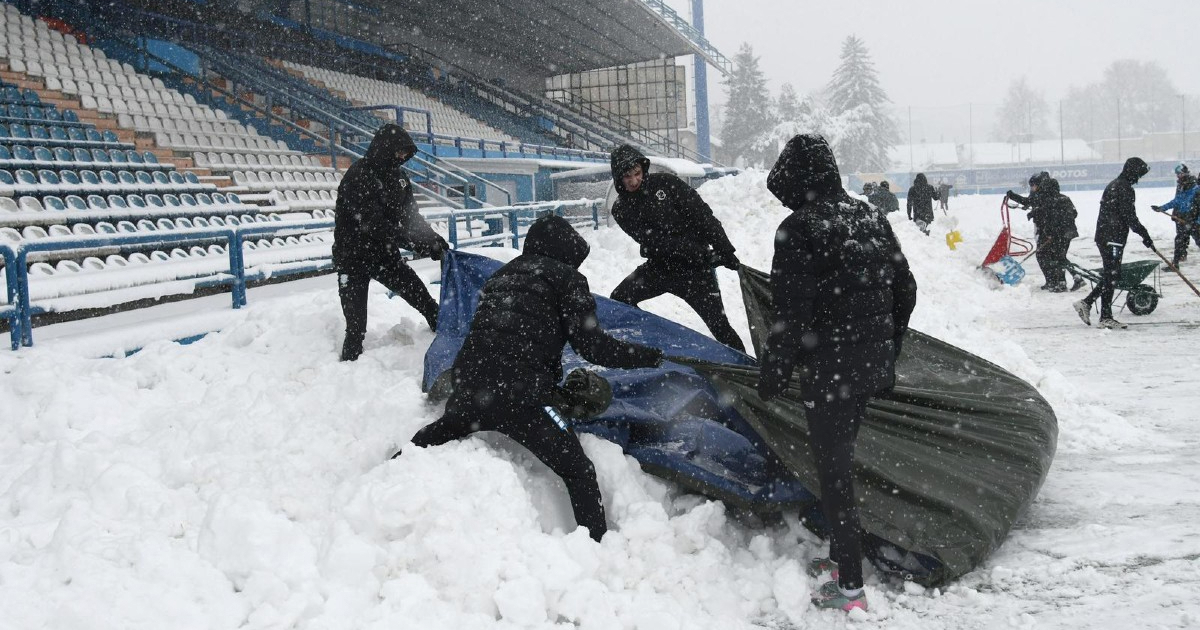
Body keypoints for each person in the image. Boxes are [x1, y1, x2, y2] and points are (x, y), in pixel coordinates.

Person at [406, 215, 664, 542]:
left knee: (430, 437)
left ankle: (390, 471)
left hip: (468, 392)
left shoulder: (500, 276)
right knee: (580, 472)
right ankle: (598, 548)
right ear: (564, 251)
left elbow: (486, 336)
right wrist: (644, 355)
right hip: (522, 400)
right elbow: (593, 347)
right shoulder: (568, 280)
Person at [757, 134, 918, 613]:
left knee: (834, 473)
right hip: (868, 367)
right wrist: (888, 343)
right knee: (840, 464)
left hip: (829, 369)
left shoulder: (799, 229)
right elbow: (905, 288)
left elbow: (791, 316)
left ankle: (849, 588)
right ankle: (839, 557)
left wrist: (774, 373)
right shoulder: (870, 216)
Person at [607, 144, 746, 352]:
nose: (634, 180)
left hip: (696, 272)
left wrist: (724, 249)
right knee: (619, 300)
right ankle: (651, 347)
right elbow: (656, 242)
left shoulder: (667, 183)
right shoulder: (621, 209)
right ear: (619, 178)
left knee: (720, 327)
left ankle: (748, 371)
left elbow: (703, 216)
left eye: (637, 173)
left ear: (643, 169)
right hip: (660, 268)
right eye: (627, 177)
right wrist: (702, 253)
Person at [333, 123, 448, 361]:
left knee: (424, 300)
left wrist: (433, 240)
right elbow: (374, 225)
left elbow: (411, 219)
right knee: (355, 326)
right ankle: (348, 368)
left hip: (384, 255)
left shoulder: (400, 179)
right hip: (352, 257)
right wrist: (419, 245)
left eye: (406, 153)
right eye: (399, 151)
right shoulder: (359, 175)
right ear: (384, 148)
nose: (403, 157)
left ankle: (445, 333)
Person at [1073, 158, 1155, 329]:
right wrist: (1144, 234)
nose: (1139, 178)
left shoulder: (1115, 184)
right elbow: (1129, 216)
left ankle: (1087, 303)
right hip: (1112, 238)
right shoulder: (1124, 188)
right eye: (1139, 174)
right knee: (1112, 275)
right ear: (1132, 172)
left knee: (1112, 275)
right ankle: (1105, 317)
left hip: (1107, 235)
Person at [1007, 173, 1081, 292]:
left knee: (1052, 257)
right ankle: (1065, 281)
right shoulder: (1061, 198)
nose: (1032, 189)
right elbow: (1072, 213)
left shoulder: (1048, 199)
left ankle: (1060, 282)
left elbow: (1049, 215)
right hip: (1065, 233)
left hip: (1057, 233)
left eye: (1034, 186)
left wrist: (1038, 214)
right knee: (1058, 257)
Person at [1151, 163, 1200, 267]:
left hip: (1193, 221)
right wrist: (1161, 208)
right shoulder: (1181, 187)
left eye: (1180, 174)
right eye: (1177, 174)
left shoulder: (1195, 188)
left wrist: (1197, 222)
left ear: (1185, 173)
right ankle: (1175, 264)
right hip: (1182, 219)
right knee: (1179, 241)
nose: (1178, 176)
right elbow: (1176, 201)